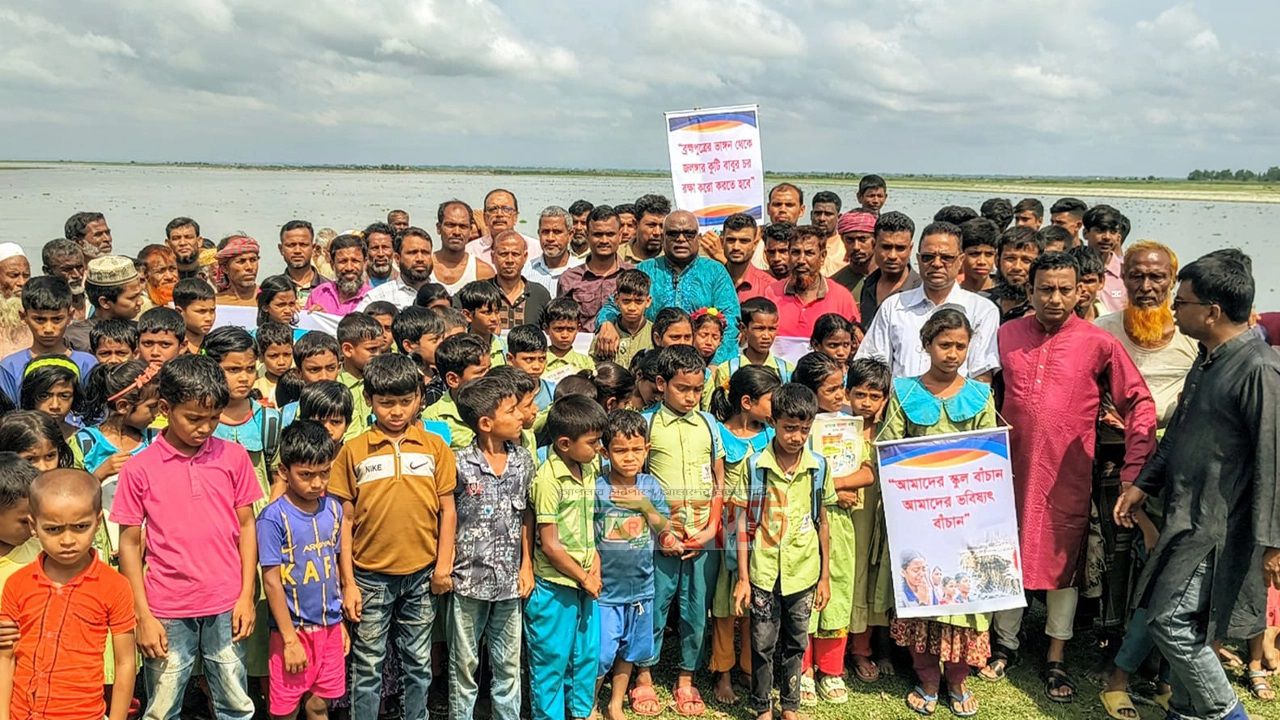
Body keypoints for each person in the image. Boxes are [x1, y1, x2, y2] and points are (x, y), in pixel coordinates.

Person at [1113, 250, 1280, 720]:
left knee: (1172, 623)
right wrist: (1144, 484)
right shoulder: (1207, 361)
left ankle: (1229, 715)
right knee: (1190, 624)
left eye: (1181, 302)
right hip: (1186, 514)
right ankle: (1186, 713)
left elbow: (1274, 459)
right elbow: (1179, 435)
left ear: (1211, 312)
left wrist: (1273, 544)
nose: (1171, 310)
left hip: (1221, 527)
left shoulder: (1259, 370)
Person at [990, 252, 1156, 702]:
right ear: (1029, 291)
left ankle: (1056, 653)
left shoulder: (1098, 342)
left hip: (1068, 472)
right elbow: (978, 389)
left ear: (1082, 290)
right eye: (1046, 289)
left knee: (1064, 556)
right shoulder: (1006, 335)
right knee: (1007, 549)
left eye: (1066, 289)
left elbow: (1138, 402)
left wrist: (1136, 465)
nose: (1056, 298)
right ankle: (1004, 644)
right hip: (1008, 466)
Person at [112, 355, 261, 720]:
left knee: (235, 701)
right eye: (193, 418)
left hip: (227, 602)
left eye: (213, 418)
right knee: (162, 707)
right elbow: (129, 545)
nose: (205, 428)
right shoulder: (139, 468)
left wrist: (246, 595)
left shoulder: (234, 457)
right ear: (165, 408)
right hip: (165, 607)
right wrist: (142, 614)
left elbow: (246, 526)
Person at [877, 309, 997, 717]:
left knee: (966, 597)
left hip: (966, 516)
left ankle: (958, 679)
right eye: (944, 344)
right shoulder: (904, 392)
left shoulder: (982, 396)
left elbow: (988, 455)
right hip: (918, 517)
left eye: (960, 346)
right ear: (926, 344)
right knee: (922, 595)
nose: (952, 353)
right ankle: (927, 677)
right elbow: (889, 450)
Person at [328, 353, 457, 720]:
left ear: (419, 398)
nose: (396, 411)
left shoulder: (435, 448)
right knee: (367, 664)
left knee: (418, 662)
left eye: (404, 401)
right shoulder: (353, 451)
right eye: (386, 403)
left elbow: (448, 510)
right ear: (369, 400)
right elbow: (345, 521)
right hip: (368, 577)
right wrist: (348, 583)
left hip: (422, 575)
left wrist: (443, 566)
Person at [730, 383, 833, 720]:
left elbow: (823, 524)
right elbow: (744, 526)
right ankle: (762, 706)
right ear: (773, 421)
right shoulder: (754, 466)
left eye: (804, 429)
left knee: (796, 642)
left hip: (803, 573)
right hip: (762, 572)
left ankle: (790, 706)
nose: (797, 436)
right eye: (790, 428)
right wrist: (743, 578)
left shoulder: (818, 468)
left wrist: (825, 578)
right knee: (761, 643)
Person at [0, 468, 136, 720]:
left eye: (80, 527)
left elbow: (125, 663)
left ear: (97, 523)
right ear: (33, 525)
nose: (67, 540)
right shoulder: (17, 584)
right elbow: (5, 659)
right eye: (53, 529)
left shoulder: (114, 586)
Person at [633, 345, 725, 717]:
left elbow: (720, 480)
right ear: (661, 383)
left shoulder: (708, 424)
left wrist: (713, 526)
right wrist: (662, 532)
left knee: (694, 609)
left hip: (702, 537)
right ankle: (643, 676)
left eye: (697, 390)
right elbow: (636, 485)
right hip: (659, 539)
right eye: (682, 389)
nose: (691, 397)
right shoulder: (648, 424)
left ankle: (686, 678)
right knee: (654, 607)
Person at [443, 376, 535, 720]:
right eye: (511, 411)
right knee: (464, 665)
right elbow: (448, 516)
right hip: (468, 580)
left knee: (508, 665)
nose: (520, 417)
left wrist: (527, 566)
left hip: (510, 582)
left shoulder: (523, 461)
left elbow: (527, 513)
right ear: (486, 423)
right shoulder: (459, 463)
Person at [257, 421, 347, 720]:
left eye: (324, 473)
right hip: (292, 632)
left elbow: (333, 568)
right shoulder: (273, 518)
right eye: (306, 475)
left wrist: (340, 622)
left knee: (320, 705)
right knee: (285, 710)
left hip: (330, 628)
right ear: (284, 472)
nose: (317, 483)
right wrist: (290, 640)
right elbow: (271, 582)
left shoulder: (333, 509)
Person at [526, 395, 608, 720]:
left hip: (586, 578)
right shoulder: (547, 480)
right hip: (555, 584)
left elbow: (590, 524)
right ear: (563, 443)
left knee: (586, 654)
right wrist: (584, 576)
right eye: (593, 442)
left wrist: (595, 565)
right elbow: (549, 544)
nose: (600, 447)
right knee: (552, 658)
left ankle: (580, 711)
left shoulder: (588, 468)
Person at [706, 366, 780, 705]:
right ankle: (723, 671)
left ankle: (752, 667)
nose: (776, 407)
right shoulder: (718, 435)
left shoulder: (771, 436)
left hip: (764, 526)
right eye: (771, 400)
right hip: (728, 527)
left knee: (758, 600)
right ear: (747, 402)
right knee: (724, 602)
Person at [790, 354, 860, 706]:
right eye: (831, 389)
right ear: (809, 391)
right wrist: (833, 489)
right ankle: (801, 669)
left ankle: (831, 669)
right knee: (803, 591)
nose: (840, 395)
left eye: (842, 387)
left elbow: (866, 473)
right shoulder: (793, 430)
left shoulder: (848, 425)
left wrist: (835, 485)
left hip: (839, 524)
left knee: (837, 591)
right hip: (802, 522)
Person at [593, 409, 671, 720]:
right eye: (621, 450)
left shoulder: (649, 486)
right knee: (601, 653)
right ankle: (590, 703)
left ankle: (615, 704)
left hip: (641, 587)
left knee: (629, 650)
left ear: (647, 450)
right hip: (605, 590)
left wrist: (643, 505)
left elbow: (664, 526)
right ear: (604, 451)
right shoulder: (597, 487)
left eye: (637, 450)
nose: (629, 458)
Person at [856, 221, 1000, 380]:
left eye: (946, 257)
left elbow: (982, 374)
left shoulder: (982, 311)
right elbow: (871, 365)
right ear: (918, 259)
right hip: (900, 403)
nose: (937, 264)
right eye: (928, 257)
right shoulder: (893, 307)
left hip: (957, 404)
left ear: (960, 260)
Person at [595, 210, 741, 364]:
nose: (681, 239)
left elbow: (731, 322)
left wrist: (714, 366)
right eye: (673, 234)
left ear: (698, 238)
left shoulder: (715, 272)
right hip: (651, 361)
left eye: (689, 234)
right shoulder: (646, 269)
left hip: (701, 364)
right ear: (663, 237)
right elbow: (612, 306)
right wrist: (606, 323)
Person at [840, 359, 892, 682]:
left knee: (875, 576)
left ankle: (867, 647)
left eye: (875, 396)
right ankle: (843, 649)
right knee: (851, 574)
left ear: (885, 398)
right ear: (847, 394)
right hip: (850, 513)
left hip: (881, 514)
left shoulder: (890, 430)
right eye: (860, 394)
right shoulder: (839, 428)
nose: (867, 403)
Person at [0, 276, 97, 405]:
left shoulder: (87, 365)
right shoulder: (10, 367)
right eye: (39, 320)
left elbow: (94, 415)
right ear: (23, 317)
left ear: (70, 316)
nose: (48, 329)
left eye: (57, 319)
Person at [765, 225, 858, 339]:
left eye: (809, 253)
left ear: (822, 256)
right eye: (795, 252)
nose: (801, 260)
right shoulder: (771, 293)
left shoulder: (842, 297)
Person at [704, 298, 792, 409]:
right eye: (759, 329)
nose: (766, 336)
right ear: (743, 328)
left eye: (772, 329)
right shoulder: (727, 370)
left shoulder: (786, 371)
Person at [558, 205, 629, 332]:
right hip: (581, 347)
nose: (604, 240)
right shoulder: (569, 279)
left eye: (610, 234)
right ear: (587, 235)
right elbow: (560, 321)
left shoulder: (632, 275)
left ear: (620, 235)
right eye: (597, 234)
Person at [423, 333, 492, 449]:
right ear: (453, 379)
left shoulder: (501, 405)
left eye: (489, 369)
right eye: (480, 373)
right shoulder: (433, 418)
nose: (489, 377)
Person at [858, 211, 921, 325]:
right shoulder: (869, 284)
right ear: (874, 245)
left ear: (910, 249)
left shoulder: (921, 290)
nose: (892, 256)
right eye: (886, 247)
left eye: (900, 248)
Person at [360, 226, 438, 310]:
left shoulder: (444, 294)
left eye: (425, 253)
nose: (420, 259)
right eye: (412, 253)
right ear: (397, 258)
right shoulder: (377, 298)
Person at [488, 230, 551, 331]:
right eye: (503, 254)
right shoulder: (481, 292)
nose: (509, 260)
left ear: (525, 257)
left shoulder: (539, 294)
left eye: (515, 254)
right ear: (492, 257)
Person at [335, 313, 384, 440]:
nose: (378, 355)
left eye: (381, 349)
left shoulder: (385, 381)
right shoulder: (334, 385)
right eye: (372, 349)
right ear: (347, 349)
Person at [591, 270, 652, 370]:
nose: (632, 307)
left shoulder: (653, 334)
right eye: (626, 301)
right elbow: (593, 367)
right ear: (616, 300)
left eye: (638, 301)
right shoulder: (605, 335)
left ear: (648, 301)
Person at [433, 201, 495, 294]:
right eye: (450, 225)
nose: (457, 232)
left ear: (470, 230)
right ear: (438, 228)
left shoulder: (482, 272)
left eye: (463, 226)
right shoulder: (424, 266)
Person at [984, 226, 1043, 323]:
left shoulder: (1043, 309)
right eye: (1010, 259)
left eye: (1026, 260)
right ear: (997, 260)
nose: (1017, 267)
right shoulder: (981, 302)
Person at [467, 189, 541, 265]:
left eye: (506, 209)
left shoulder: (536, 249)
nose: (499, 214)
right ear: (485, 218)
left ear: (515, 217)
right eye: (493, 209)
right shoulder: (471, 251)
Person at [308, 234, 371, 315]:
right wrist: (316, 317)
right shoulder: (318, 294)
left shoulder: (371, 298)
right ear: (332, 264)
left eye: (355, 261)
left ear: (365, 263)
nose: (349, 268)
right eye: (342, 261)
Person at [1084, 204, 1130, 314]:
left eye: (1113, 232)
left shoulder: (1127, 272)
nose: (1107, 237)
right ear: (1085, 233)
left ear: (1118, 237)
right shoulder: (1073, 267)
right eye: (1100, 231)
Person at [527, 206, 583, 297]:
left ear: (570, 235)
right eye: (545, 232)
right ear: (539, 234)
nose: (550, 238)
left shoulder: (583, 273)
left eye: (557, 232)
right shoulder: (525, 272)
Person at [268, 220, 326, 306]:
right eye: (291, 245)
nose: (297, 251)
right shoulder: (271, 289)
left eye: (303, 245)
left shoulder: (329, 289)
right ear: (281, 249)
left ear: (313, 248)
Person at [716, 213, 772, 302]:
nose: (736, 247)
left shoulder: (770, 287)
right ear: (722, 242)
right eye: (731, 240)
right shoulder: (709, 282)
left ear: (754, 244)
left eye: (744, 241)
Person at [457, 280, 508, 367]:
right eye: (486, 313)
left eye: (496, 312)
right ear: (468, 315)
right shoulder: (457, 350)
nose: (494, 319)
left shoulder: (505, 348)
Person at [542, 298, 595, 376]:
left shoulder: (586, 363)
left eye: (571, 329)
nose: (565, 335)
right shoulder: (538, 362)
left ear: (578, 328)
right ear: (546, 328)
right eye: (559, 329)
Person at [85, 255, 144, 323]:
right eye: (132, 298)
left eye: (140, 295)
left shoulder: (143, 332)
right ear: (105, 302)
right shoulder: (77, 333)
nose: (141, 302)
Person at [40, 239, 89, 321]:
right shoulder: (40, 306)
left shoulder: (97, 301)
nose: (76, 275)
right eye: (67, 269)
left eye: (79, 267)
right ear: (47, 271)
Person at [831, 211, 877, 297]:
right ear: (842, 240)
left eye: (862, 239)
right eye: (850, 240)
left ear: (875, 240)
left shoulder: (890, 279)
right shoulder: (833, 285)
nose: (856, 247)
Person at [214, 234, 262, 307]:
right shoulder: (214, 304)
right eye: (241, 261)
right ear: (225, 268)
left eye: (253, 260)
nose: (249, 267)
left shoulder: (270, 298)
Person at [173, 276, 217, 355]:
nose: (209, 318)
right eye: (201, 311)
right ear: (179, 312)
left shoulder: (217, 347)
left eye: (212, 311)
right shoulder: (172, 348)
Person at [165, 216, 215, 283]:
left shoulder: (214, 276)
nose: (182, 243)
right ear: (168, 244)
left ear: (199, 241)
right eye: (176, 238)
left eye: (188, 237)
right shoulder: (163, 277)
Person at [959, 218, 1000, 293]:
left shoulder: (1005, 298)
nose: (982, 261)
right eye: (974, 254)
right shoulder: (951, 295)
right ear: (961, 256)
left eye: (989, 254)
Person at [809, 191, 844, 276]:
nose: (822, 219)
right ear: (811, 215)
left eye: (828, 214)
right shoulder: (799, 243)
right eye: (818, 213)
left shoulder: (846, 246)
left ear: (838, 217)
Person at [137, 243, 179, 313]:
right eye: (161, 271)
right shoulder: (140, 305)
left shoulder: (188, 300)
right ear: (146, 275)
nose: (169, 277)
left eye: (172, 269)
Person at [363, 222, 398, 288]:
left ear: (394, 250)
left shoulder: (403, 282)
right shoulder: (356, 282)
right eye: (375, 248)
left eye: (385, 248)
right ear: (366, 252)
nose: (380, 254)